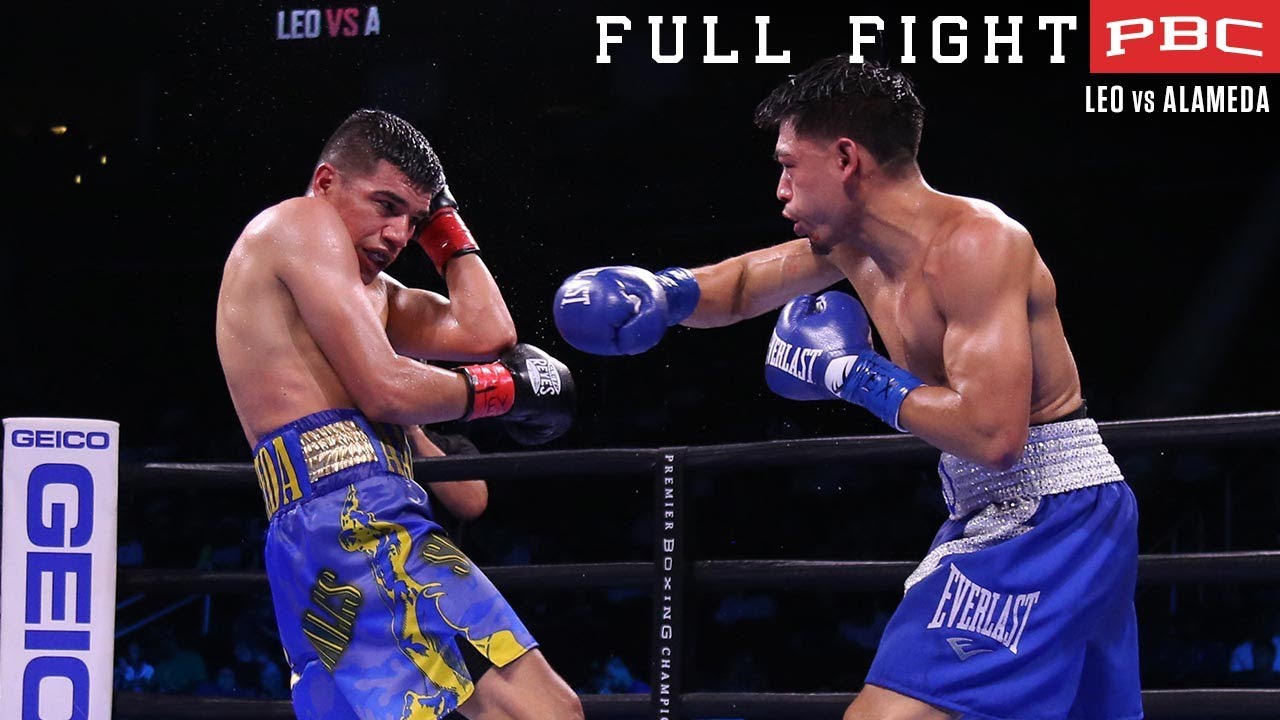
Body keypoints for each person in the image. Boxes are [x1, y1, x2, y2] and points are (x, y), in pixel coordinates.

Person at [554, 56, 1140, 720]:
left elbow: (993, 435)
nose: (781, 189)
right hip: (1020, 508)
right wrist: (662, 295)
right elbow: (742, 284)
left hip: (1045, 510)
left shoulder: (976, 244)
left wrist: (848, 372)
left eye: (788, 165)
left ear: (844, 158)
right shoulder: (854, 246)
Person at [216, 108, 582, 720]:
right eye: (385, 205)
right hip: (355, 515)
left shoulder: (374, 295)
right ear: (326, 182)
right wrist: (500, 391)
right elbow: (386, 390)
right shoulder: (300, 221)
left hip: (326, 523)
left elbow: (488, 333)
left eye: (413, 221)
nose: (396, 235)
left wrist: (445, 224)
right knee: (543, 710)